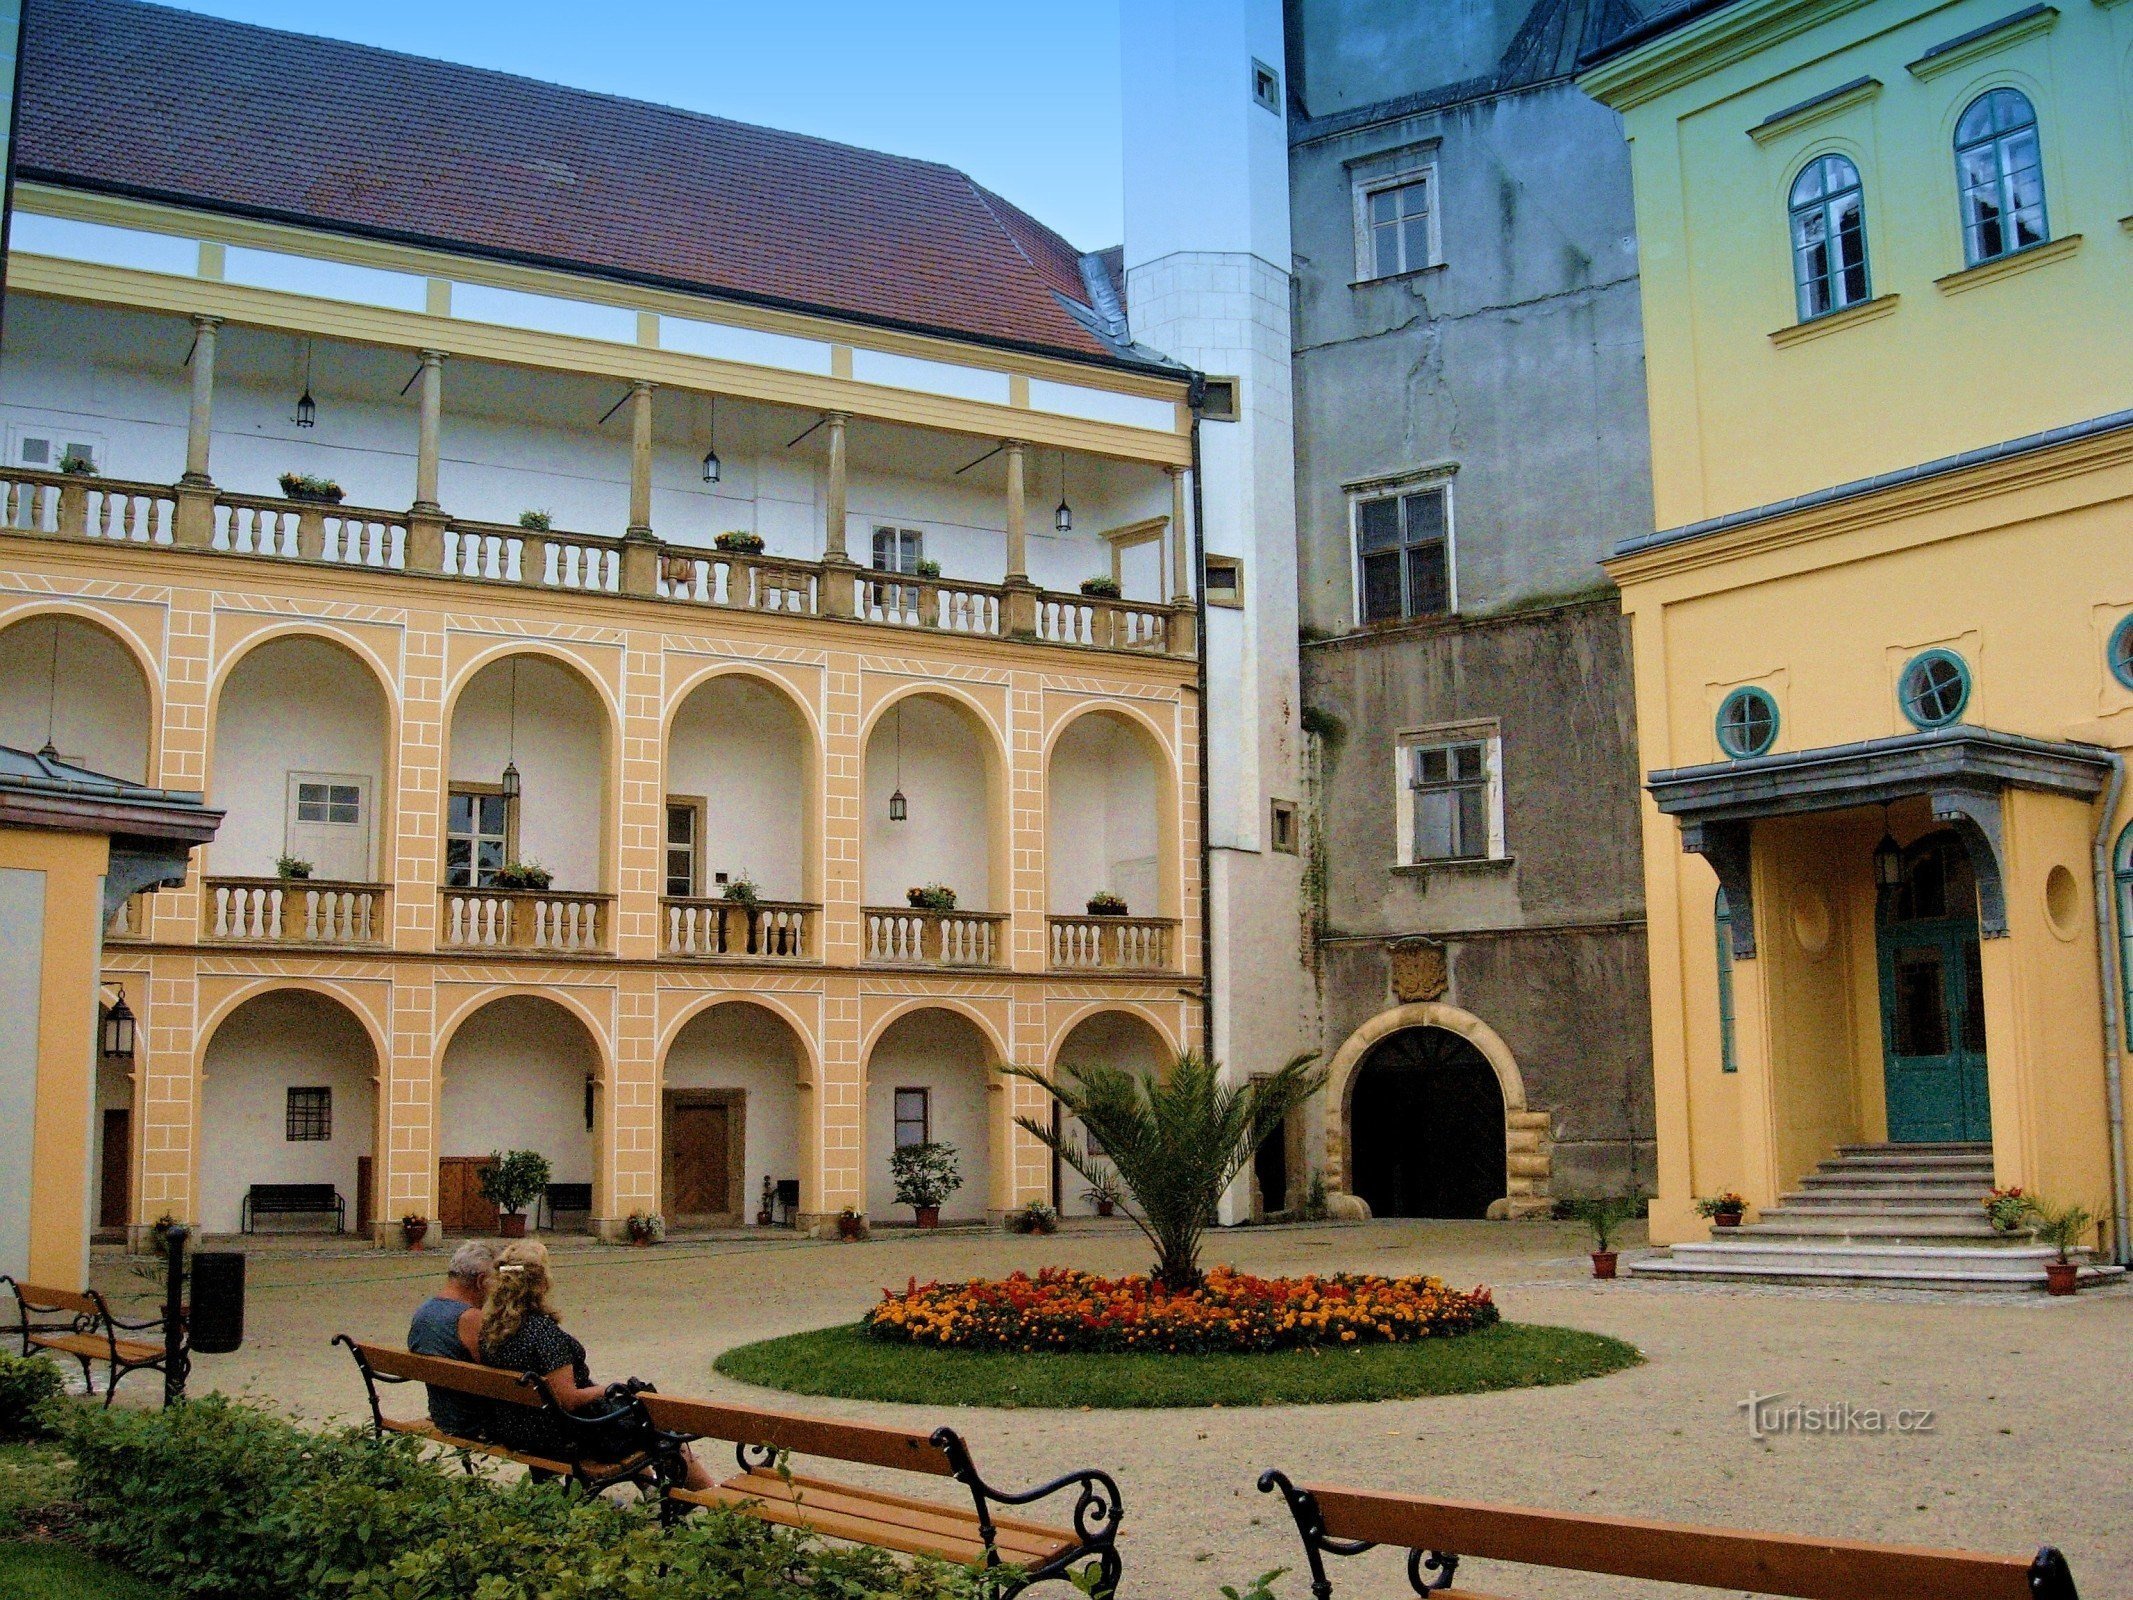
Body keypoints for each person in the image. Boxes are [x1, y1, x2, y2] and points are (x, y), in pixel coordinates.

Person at [478, 1240, 712, 1488]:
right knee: (661, 1427)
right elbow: (567, 1399)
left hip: (516, 1428)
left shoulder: (491, 1331)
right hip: (565, 1437)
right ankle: (713, 1498)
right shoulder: (543, 1334)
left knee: (633, 1415)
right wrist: (606, 1389)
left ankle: (652, 1491)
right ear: (542, 1283)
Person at [407, 1241, 494, 1438]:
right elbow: (496, 1371)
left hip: (441, 1415)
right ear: (481, 1281)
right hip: (473, 1423)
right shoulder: (470, 1318)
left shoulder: (423, 1311)